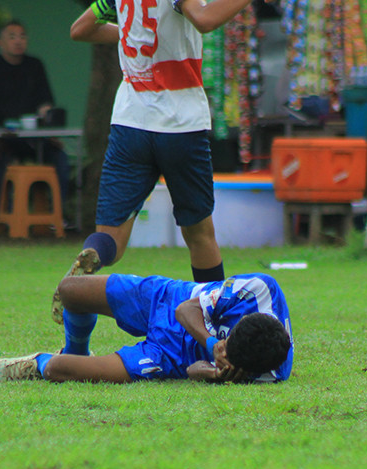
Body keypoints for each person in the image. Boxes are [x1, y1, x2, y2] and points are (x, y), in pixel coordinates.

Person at [60, 0, 256, 324]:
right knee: (200, 235)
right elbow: (204, 20)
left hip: (130, 124)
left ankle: (94, 254)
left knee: (111, 239)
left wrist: (129, 35)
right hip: (181, 125)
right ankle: (214, 323)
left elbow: (80, 30)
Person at [0, 272, 293, 384]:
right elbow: (186, 310)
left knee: (58, 370)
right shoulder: (258, 290)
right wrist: (213, 345)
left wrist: (211, 372)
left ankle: (39, 362)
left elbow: (192, 372)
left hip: (168, 356)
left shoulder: (266, 371)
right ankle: (77, 348)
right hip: (170, 299)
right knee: (70, 290)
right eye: (230, 337)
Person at [0, 20, 71, 207]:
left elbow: (45, 104)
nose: (18, 41)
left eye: (22, 36)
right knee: (3, 160)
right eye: (12, 36)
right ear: (1, 42)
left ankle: (57, 214)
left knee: (60, 158)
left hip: (31, 137)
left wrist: (50, 132)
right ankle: (5, 213)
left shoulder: (35, 66)